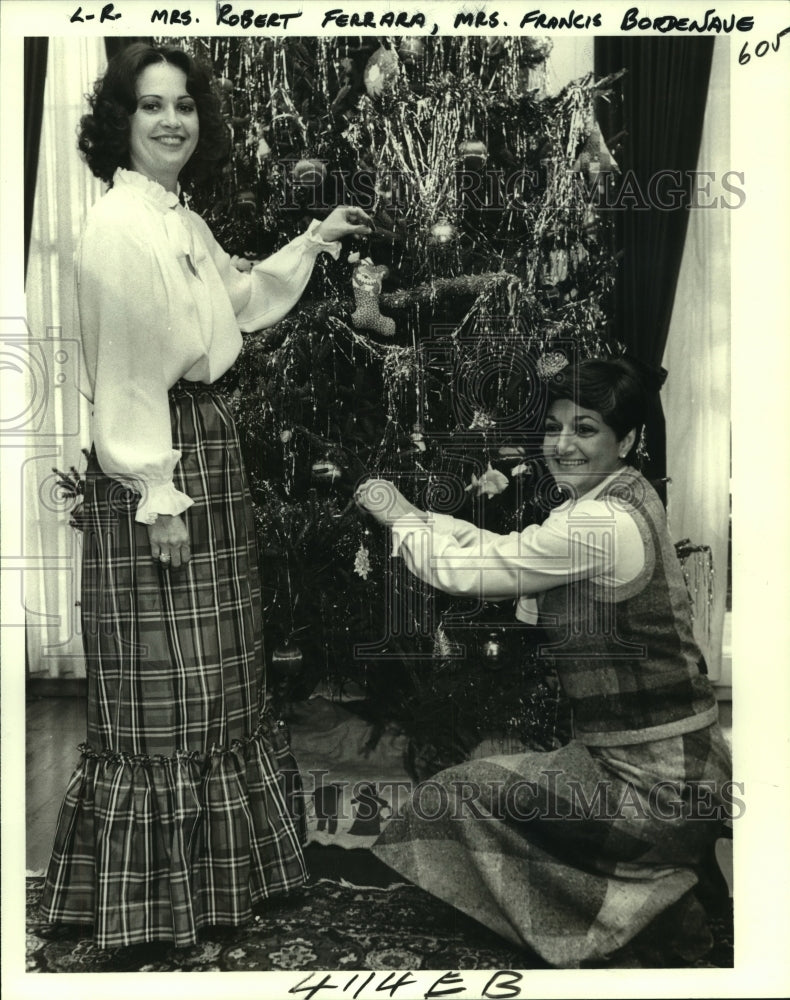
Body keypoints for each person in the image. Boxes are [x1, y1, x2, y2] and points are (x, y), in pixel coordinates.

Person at [39, 43, 372, 949]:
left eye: (183, 106)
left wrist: (313, 242)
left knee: (218, 681)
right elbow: (128, 374)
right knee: (167, 692)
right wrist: (158, 493)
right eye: (151, 107)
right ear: (121, 121)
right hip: (163, 469)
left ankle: (223, 884)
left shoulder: (176, 218)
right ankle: (160, 905)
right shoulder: (118, 226)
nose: (171, 121)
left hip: (201, 454)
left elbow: (240, 295)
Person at [355, 356, 732, 968]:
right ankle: (658, 882)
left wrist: (397, 519)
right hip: (677, 769)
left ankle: (646, 905)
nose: (561, 445)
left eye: (584, 429)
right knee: (503, 780)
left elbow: (470, 572)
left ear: (628, 438)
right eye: (554, 426)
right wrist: (420, 517)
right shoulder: (622, 494)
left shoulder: (601, 523)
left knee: (454, 795)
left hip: (658, 788)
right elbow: (508, 549)